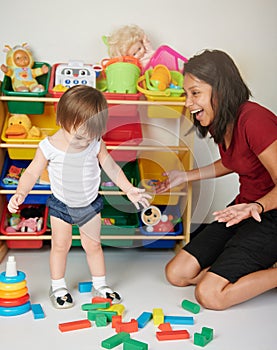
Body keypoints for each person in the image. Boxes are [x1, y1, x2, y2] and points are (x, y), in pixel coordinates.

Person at [8, 85, 151, 309]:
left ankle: (100, 284)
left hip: (90, 206)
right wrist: (20, 192)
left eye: (92, 134)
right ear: (63, 120)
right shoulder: (49, 146)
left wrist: (128, 188)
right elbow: (32, 172)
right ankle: (57, 286)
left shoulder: (94, 142)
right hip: (61, 206)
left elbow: (111, 167)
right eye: (81, 135)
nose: (86, 140)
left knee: (93, 246)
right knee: (60, 246)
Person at [156, 49, 277, 310]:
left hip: (269, 214)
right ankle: (252, 265)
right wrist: (185, 175)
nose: (188, 102)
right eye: (187, 94)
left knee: (210, 295)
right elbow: (235, 160)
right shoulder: (222, 121)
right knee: (177, 273)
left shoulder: (255, 120)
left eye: (195, 93)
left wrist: (256, 206)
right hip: (242, 210)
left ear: (220, 89)